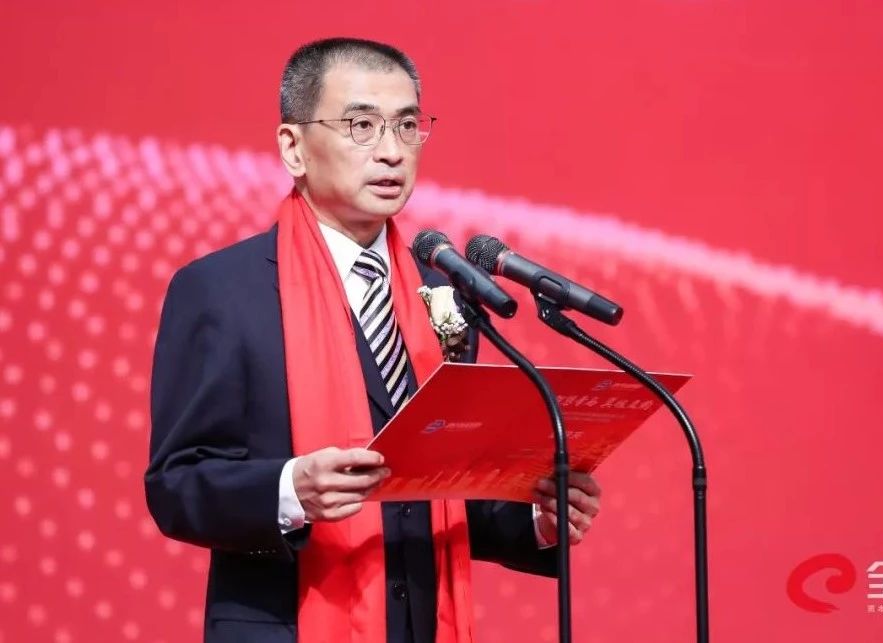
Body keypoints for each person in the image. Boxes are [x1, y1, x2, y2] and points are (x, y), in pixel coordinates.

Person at [145, 37, 602, 643]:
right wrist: (289, 490)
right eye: (361, 126)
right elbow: (176, 485)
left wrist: (536, 519)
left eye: (407, 126)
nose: (391, 151)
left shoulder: (442, 287)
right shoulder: (221, 291)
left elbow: (439, 489)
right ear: (293, 147)